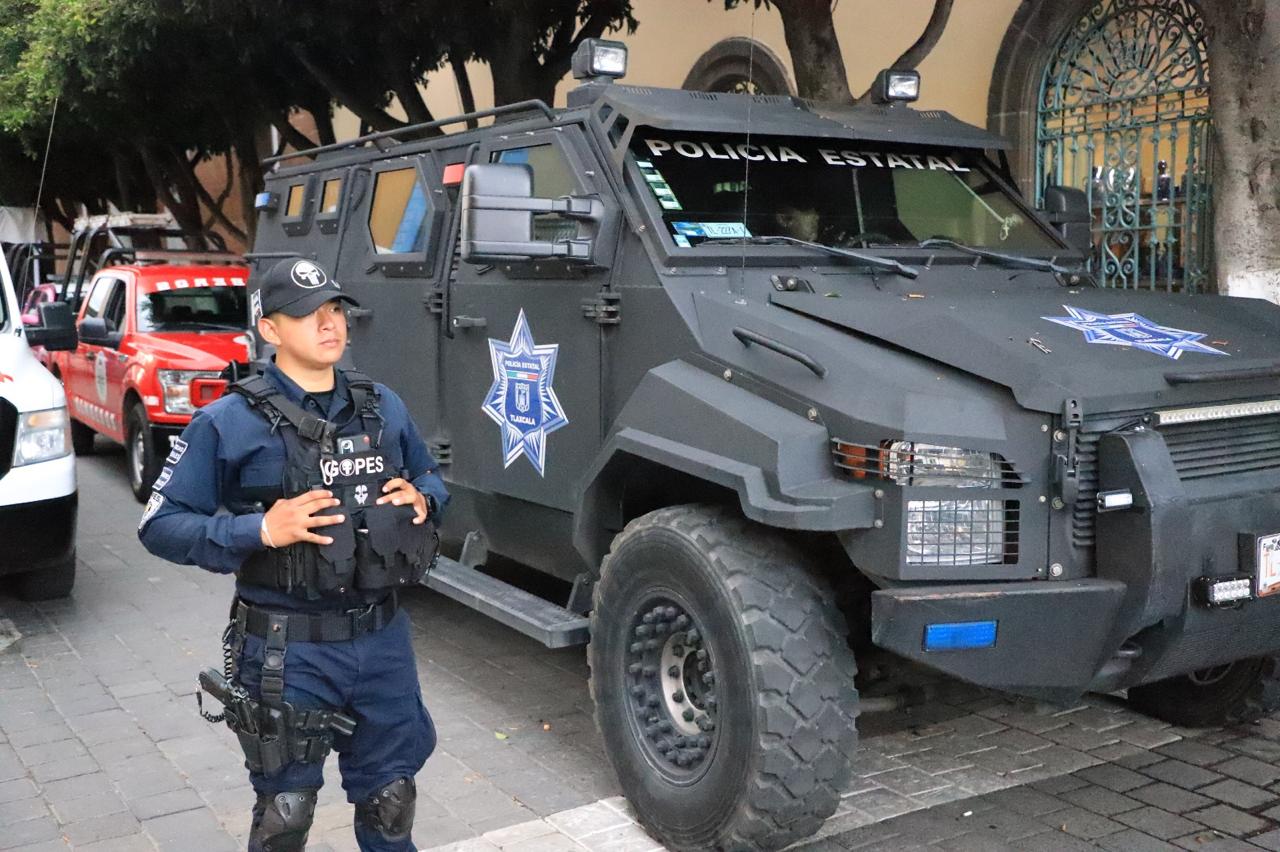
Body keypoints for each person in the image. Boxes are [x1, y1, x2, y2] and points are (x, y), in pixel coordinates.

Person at [139, 257, 449, 852]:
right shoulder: (227, 421)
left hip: (381, 641)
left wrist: (424, 498)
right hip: (287, 651)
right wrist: (259, 529)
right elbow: (160, 525)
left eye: (335, 309)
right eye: (307, 314)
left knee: (391, 800)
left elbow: (431, 476)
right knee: (286, 814)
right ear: (270, 329)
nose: (329, 323)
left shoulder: (382, 406)